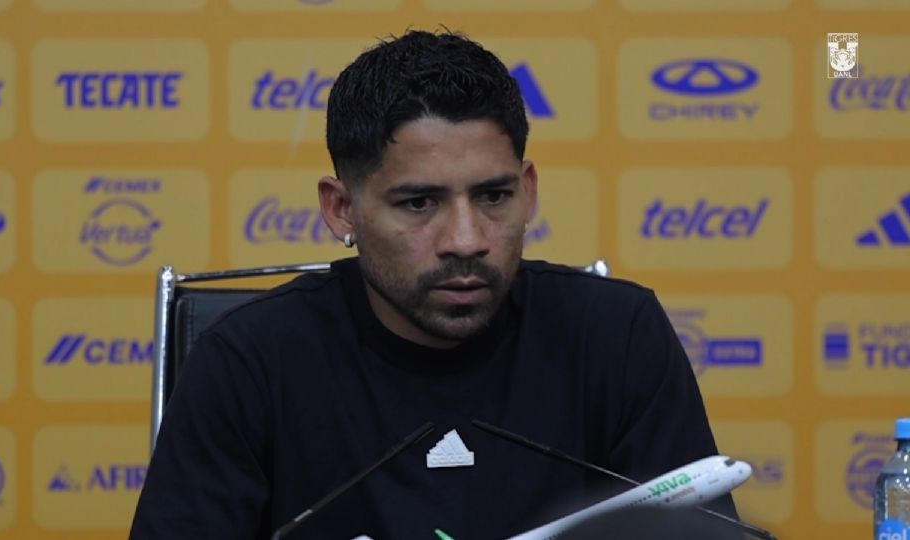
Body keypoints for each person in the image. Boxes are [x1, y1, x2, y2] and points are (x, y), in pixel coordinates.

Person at [129, 30, 738, 539]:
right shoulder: (247, 361)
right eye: (420, 202)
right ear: (341, 209)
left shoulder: (617, 335)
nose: (467, 240)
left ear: (528, 192)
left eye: (494, 196)